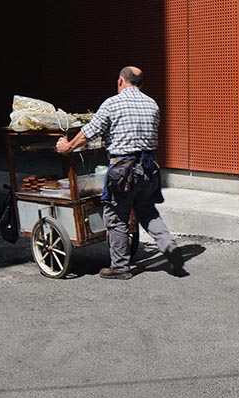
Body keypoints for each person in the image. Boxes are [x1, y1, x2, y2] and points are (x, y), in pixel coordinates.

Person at [56, 66, 185, 280]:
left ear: (120, 81)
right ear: (142, 84)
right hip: (149, 167)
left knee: (116, 217)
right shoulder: (152, 104)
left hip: (123, 169)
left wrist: (67, 147)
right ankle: (168, 245)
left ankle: (120, 267)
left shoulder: (112, 103)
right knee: (147, 211)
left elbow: (90, 132)